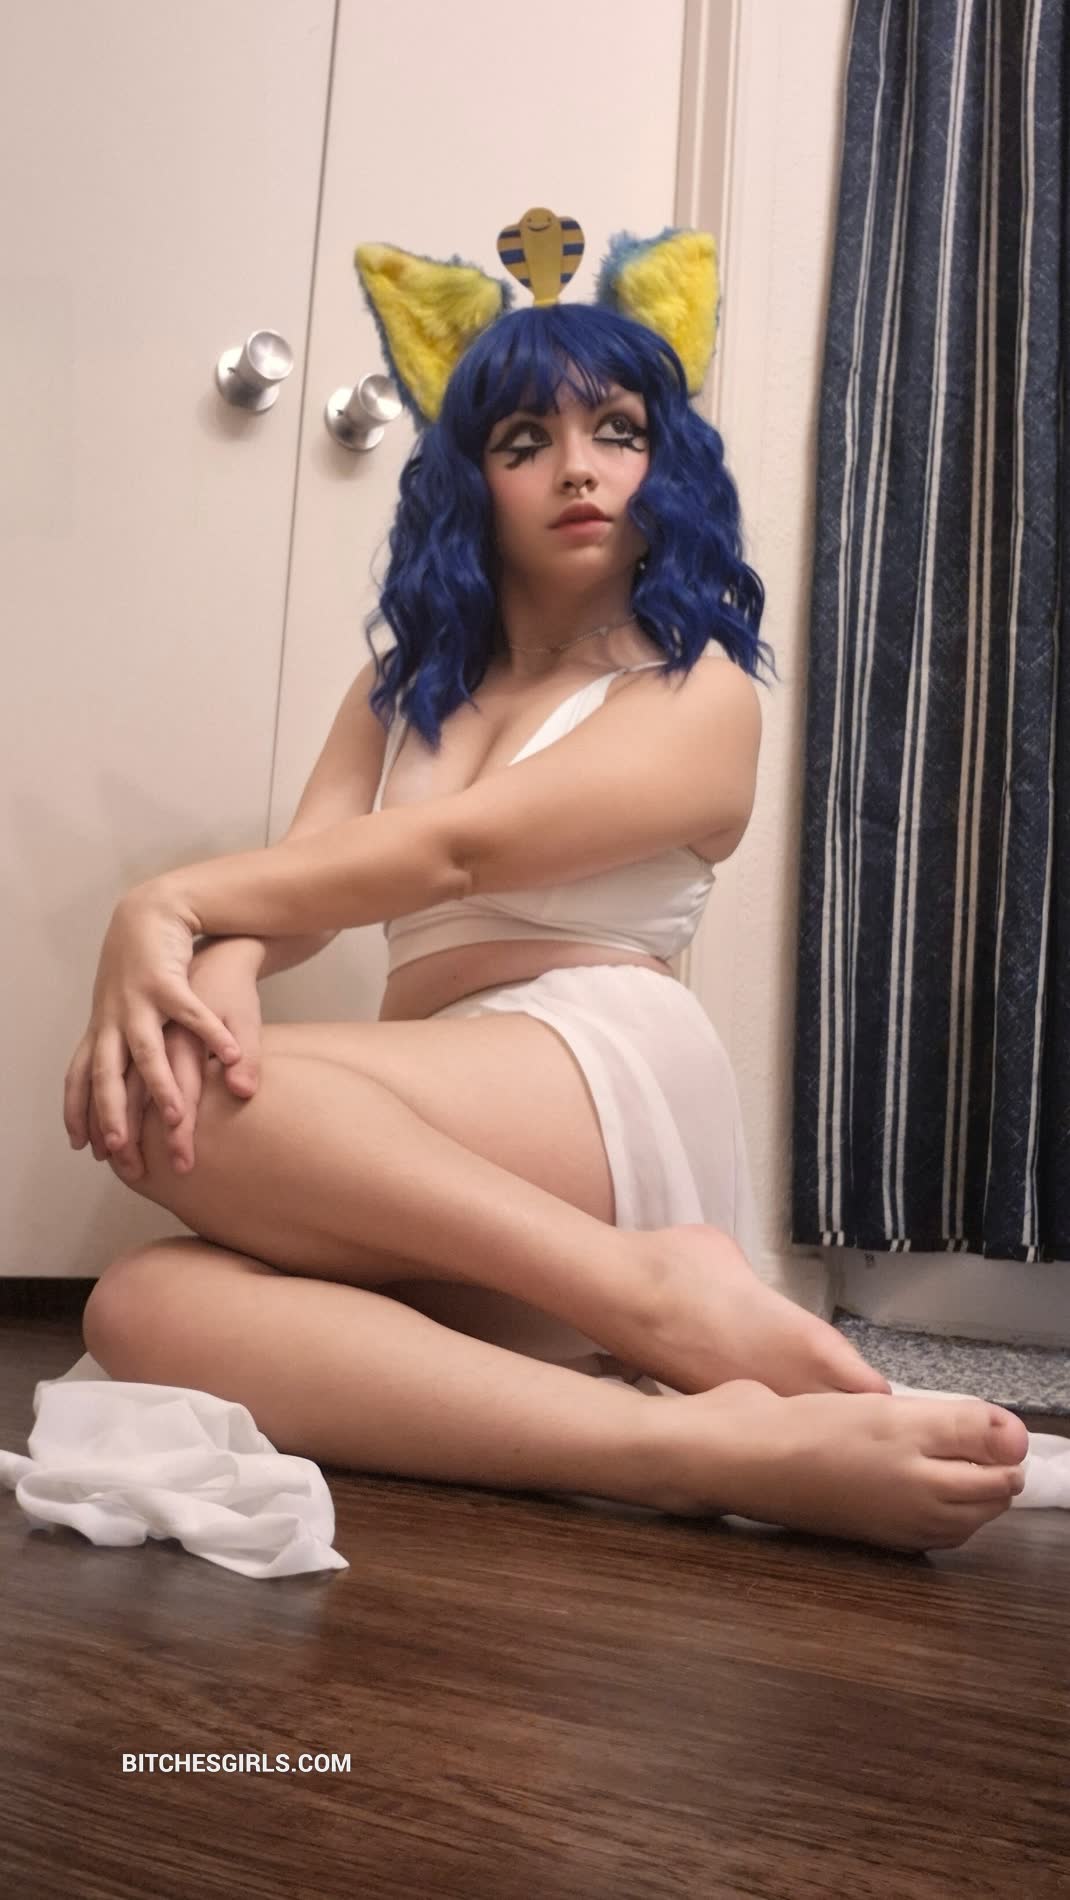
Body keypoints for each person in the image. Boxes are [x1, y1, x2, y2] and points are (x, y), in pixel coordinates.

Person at [68, 228, 1029, 1552]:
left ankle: (655, 1293)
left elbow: (452, 855)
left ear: (663, 465)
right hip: (446, 1147)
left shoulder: (694, 690)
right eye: (526, 441)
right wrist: (211, 975)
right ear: (471, 480)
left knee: (205, 1094)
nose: (577, 467)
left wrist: (164, 905)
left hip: (596, 1071)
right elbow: (300, 889)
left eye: (616, 432)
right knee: (138, 1304)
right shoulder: (399, 687)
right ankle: (686, 1448)